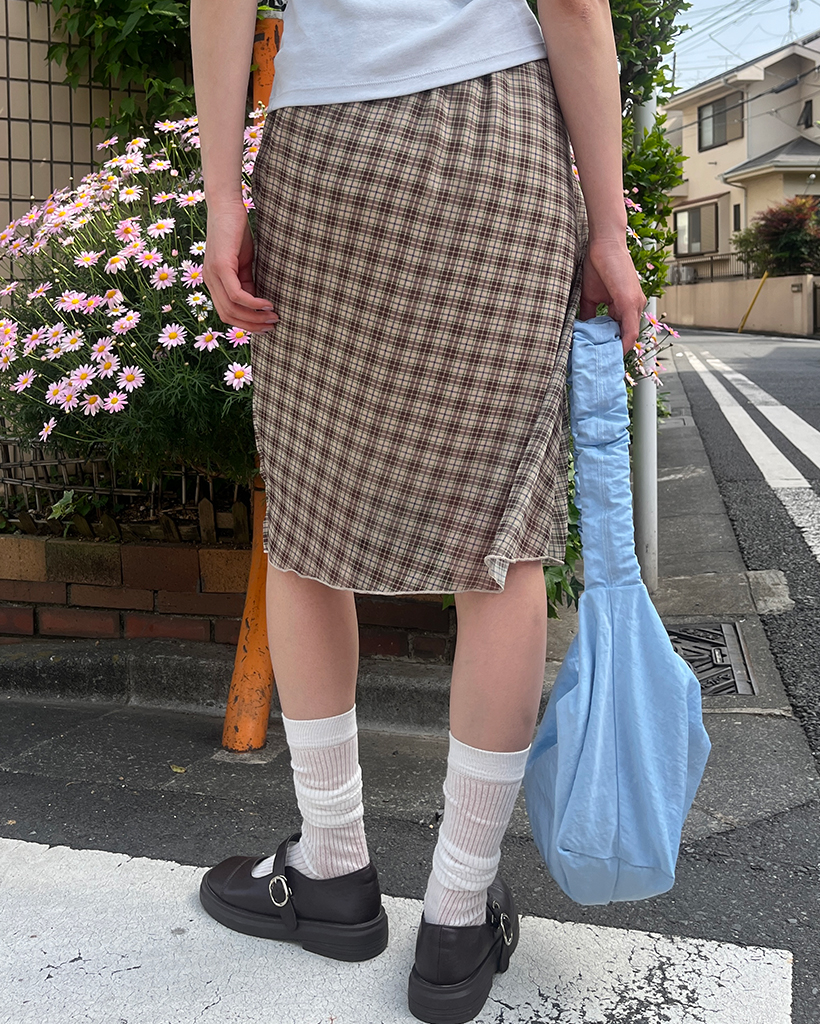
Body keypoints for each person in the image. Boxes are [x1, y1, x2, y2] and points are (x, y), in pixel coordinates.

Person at [190, 0, 645, 1020]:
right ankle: (456, 916)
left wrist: (223, 199)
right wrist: (608, 231)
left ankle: (331, 867)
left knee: (307, 523)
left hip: (328, 154)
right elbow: (574, 9)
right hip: (498, 148)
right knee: (501, 541)